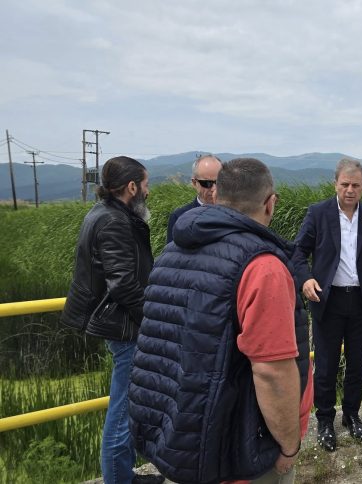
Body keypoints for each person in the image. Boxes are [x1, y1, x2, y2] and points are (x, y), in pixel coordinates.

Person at [128, 158, 312, 484]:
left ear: (216, 195)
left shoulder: (171, 253)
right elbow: (271, 372)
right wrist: (288, 445)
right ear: (270, 203)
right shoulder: (263, 268)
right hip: (238, 450)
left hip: (181, 440)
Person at [59, 156, 161, 484]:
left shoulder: (103, 212)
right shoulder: (115, 221)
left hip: (120, 322)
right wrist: (151, 321)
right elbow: (124, 285)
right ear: (131, 187)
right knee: (122, 412)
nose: (148, 190)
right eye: (145, 184)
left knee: (126, 406)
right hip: (124, 325)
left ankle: (124, 475)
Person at [291, 158, 362, 452]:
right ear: (335, 184)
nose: (349, 190)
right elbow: (298, 253)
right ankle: (324, 420)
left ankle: (352, 415)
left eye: (355, 185)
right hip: (328, 300)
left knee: (357, 364)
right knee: (325, 365)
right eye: (345, 184)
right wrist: (306, 280)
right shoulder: (318, 213)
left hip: (361, 302)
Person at [165, 154, 222, 244]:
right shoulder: (179, 216)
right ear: (194, 183)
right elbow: (172, 251)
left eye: (219, 182)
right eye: (207, 183)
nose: (214, 188)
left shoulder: (234, 212)